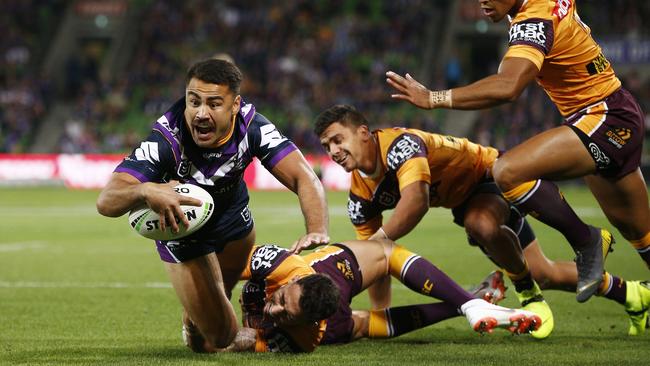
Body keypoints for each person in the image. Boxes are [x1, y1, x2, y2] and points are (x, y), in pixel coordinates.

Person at [386, 0, 650, 308]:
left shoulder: (533, 18)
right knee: (641, 235)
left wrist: (434, 97)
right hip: (611, 112)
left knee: (508, 170)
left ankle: (586, 240)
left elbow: (508, 86)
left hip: (603, 117)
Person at [312, 104, 647, 338]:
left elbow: (416, 201)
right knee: (543, 271)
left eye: (338, 139)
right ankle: (633, 294)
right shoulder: (360, 199)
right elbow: (376, 261)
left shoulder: (400, 145)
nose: (334, 151)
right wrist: (379, 316)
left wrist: (379, 240)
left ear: (364, 133)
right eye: (327, 146)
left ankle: (528, 295)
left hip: (494, 176)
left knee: (481, 225)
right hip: (468, 202)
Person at [96, 59, 329, 349]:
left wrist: (316, 228)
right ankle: (198, 324)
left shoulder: (252, 126)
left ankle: (205, 313)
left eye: (214, 104)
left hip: (234, 221)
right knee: (220, 338)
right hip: (186, 233)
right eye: (193, 102)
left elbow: (304, 177)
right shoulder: (168, 138)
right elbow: (107, 200)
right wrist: (146, 190)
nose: (201, 113)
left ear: (235, 105)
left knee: (225, 291)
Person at [185, 240, 540, 353]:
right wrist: (212, 296)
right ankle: (471, 301)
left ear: (305, 324)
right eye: (279, 300)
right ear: (290, 284)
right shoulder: (282, 266)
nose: (269, 307)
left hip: (329, 314)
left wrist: (200, 329)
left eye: (282, 313)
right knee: (385, 254)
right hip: (334, 268)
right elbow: (222, 264)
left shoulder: (309, 337)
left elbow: (233, 341)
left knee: (360, 325)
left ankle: (471, 302)